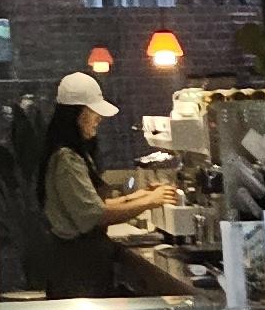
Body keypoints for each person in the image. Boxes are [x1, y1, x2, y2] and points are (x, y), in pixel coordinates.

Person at [35, 69, 167, 297]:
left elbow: (91, 205)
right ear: (77, 114)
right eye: (94, 112)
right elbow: (94, 215)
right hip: (77, 269)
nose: (99, 119)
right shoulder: (67, 159)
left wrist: (139, 196)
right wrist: (149, 202)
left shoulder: (73, 154)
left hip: (79, 264)